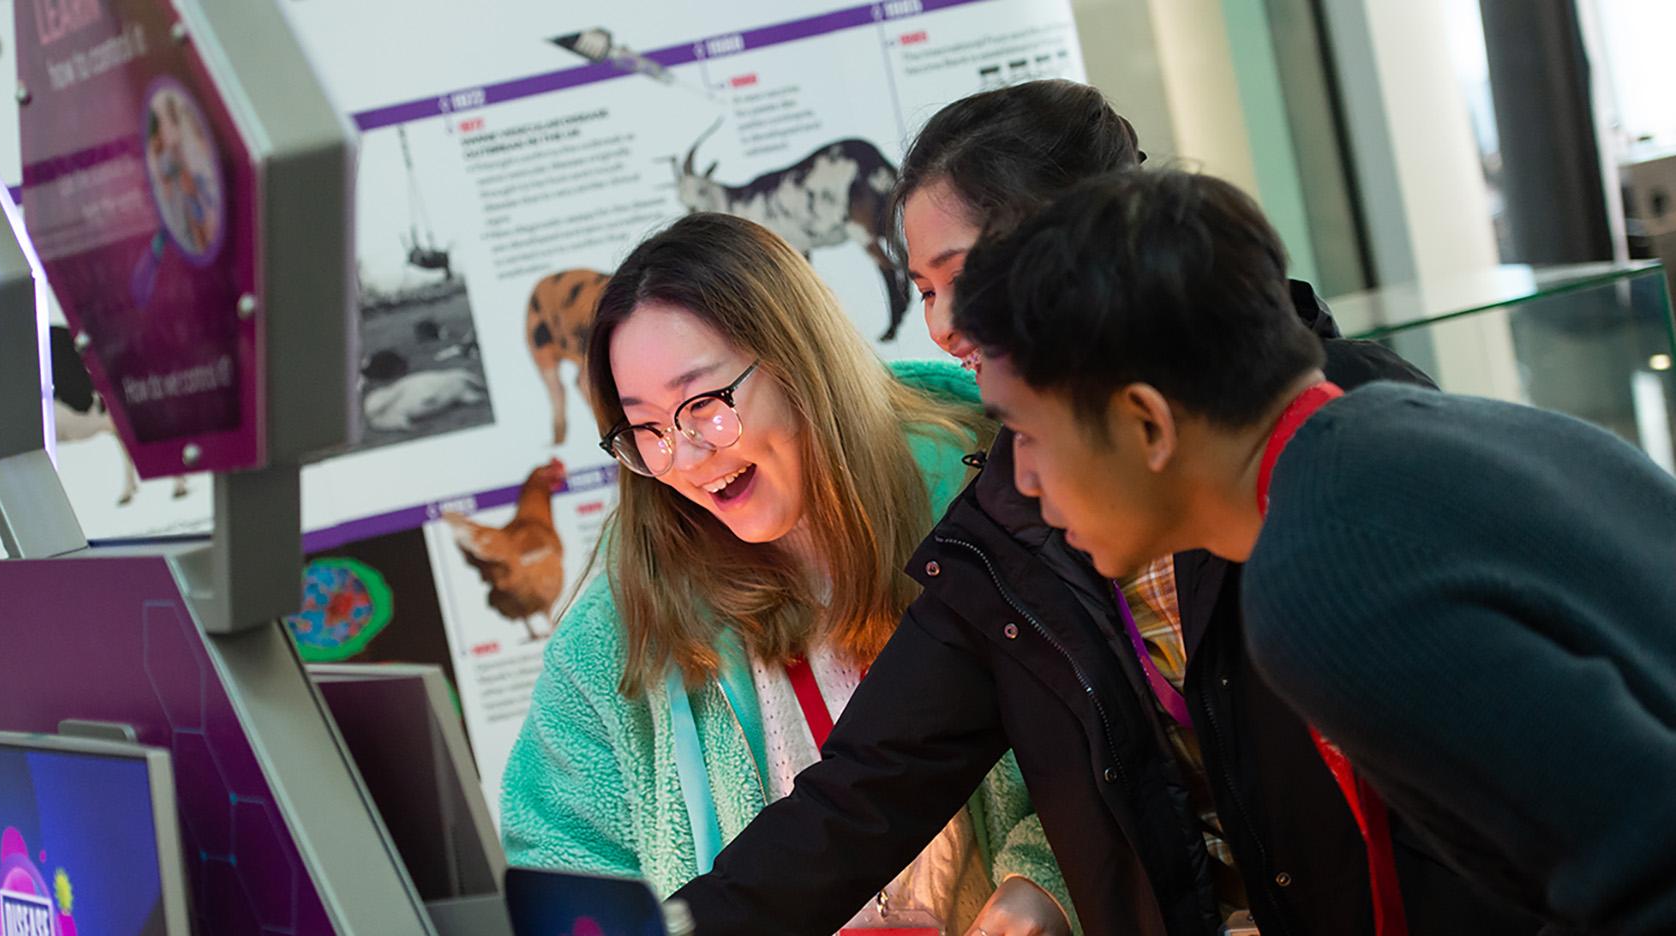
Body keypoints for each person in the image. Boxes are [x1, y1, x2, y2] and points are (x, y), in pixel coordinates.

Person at [673, 80, 1537, 936]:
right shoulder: (1011, 515)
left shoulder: (1344, 437)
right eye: (924, 290)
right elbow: (864, 791)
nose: (941, 328)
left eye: (962, 277)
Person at [954, 167, 1676, 935]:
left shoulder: (1321, 573)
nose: (1022, 477)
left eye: (1027, 433)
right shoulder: (1422, 436)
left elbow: (1647, 872)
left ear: (1147, 424)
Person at [500, 212, 1076, 936]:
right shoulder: (614, 634)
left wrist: (1045, 888)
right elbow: (563, 870)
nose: (683, 458)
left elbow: (1124, 753)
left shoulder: (995, 508)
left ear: (799, 359)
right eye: (645, 428)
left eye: (704, 405)